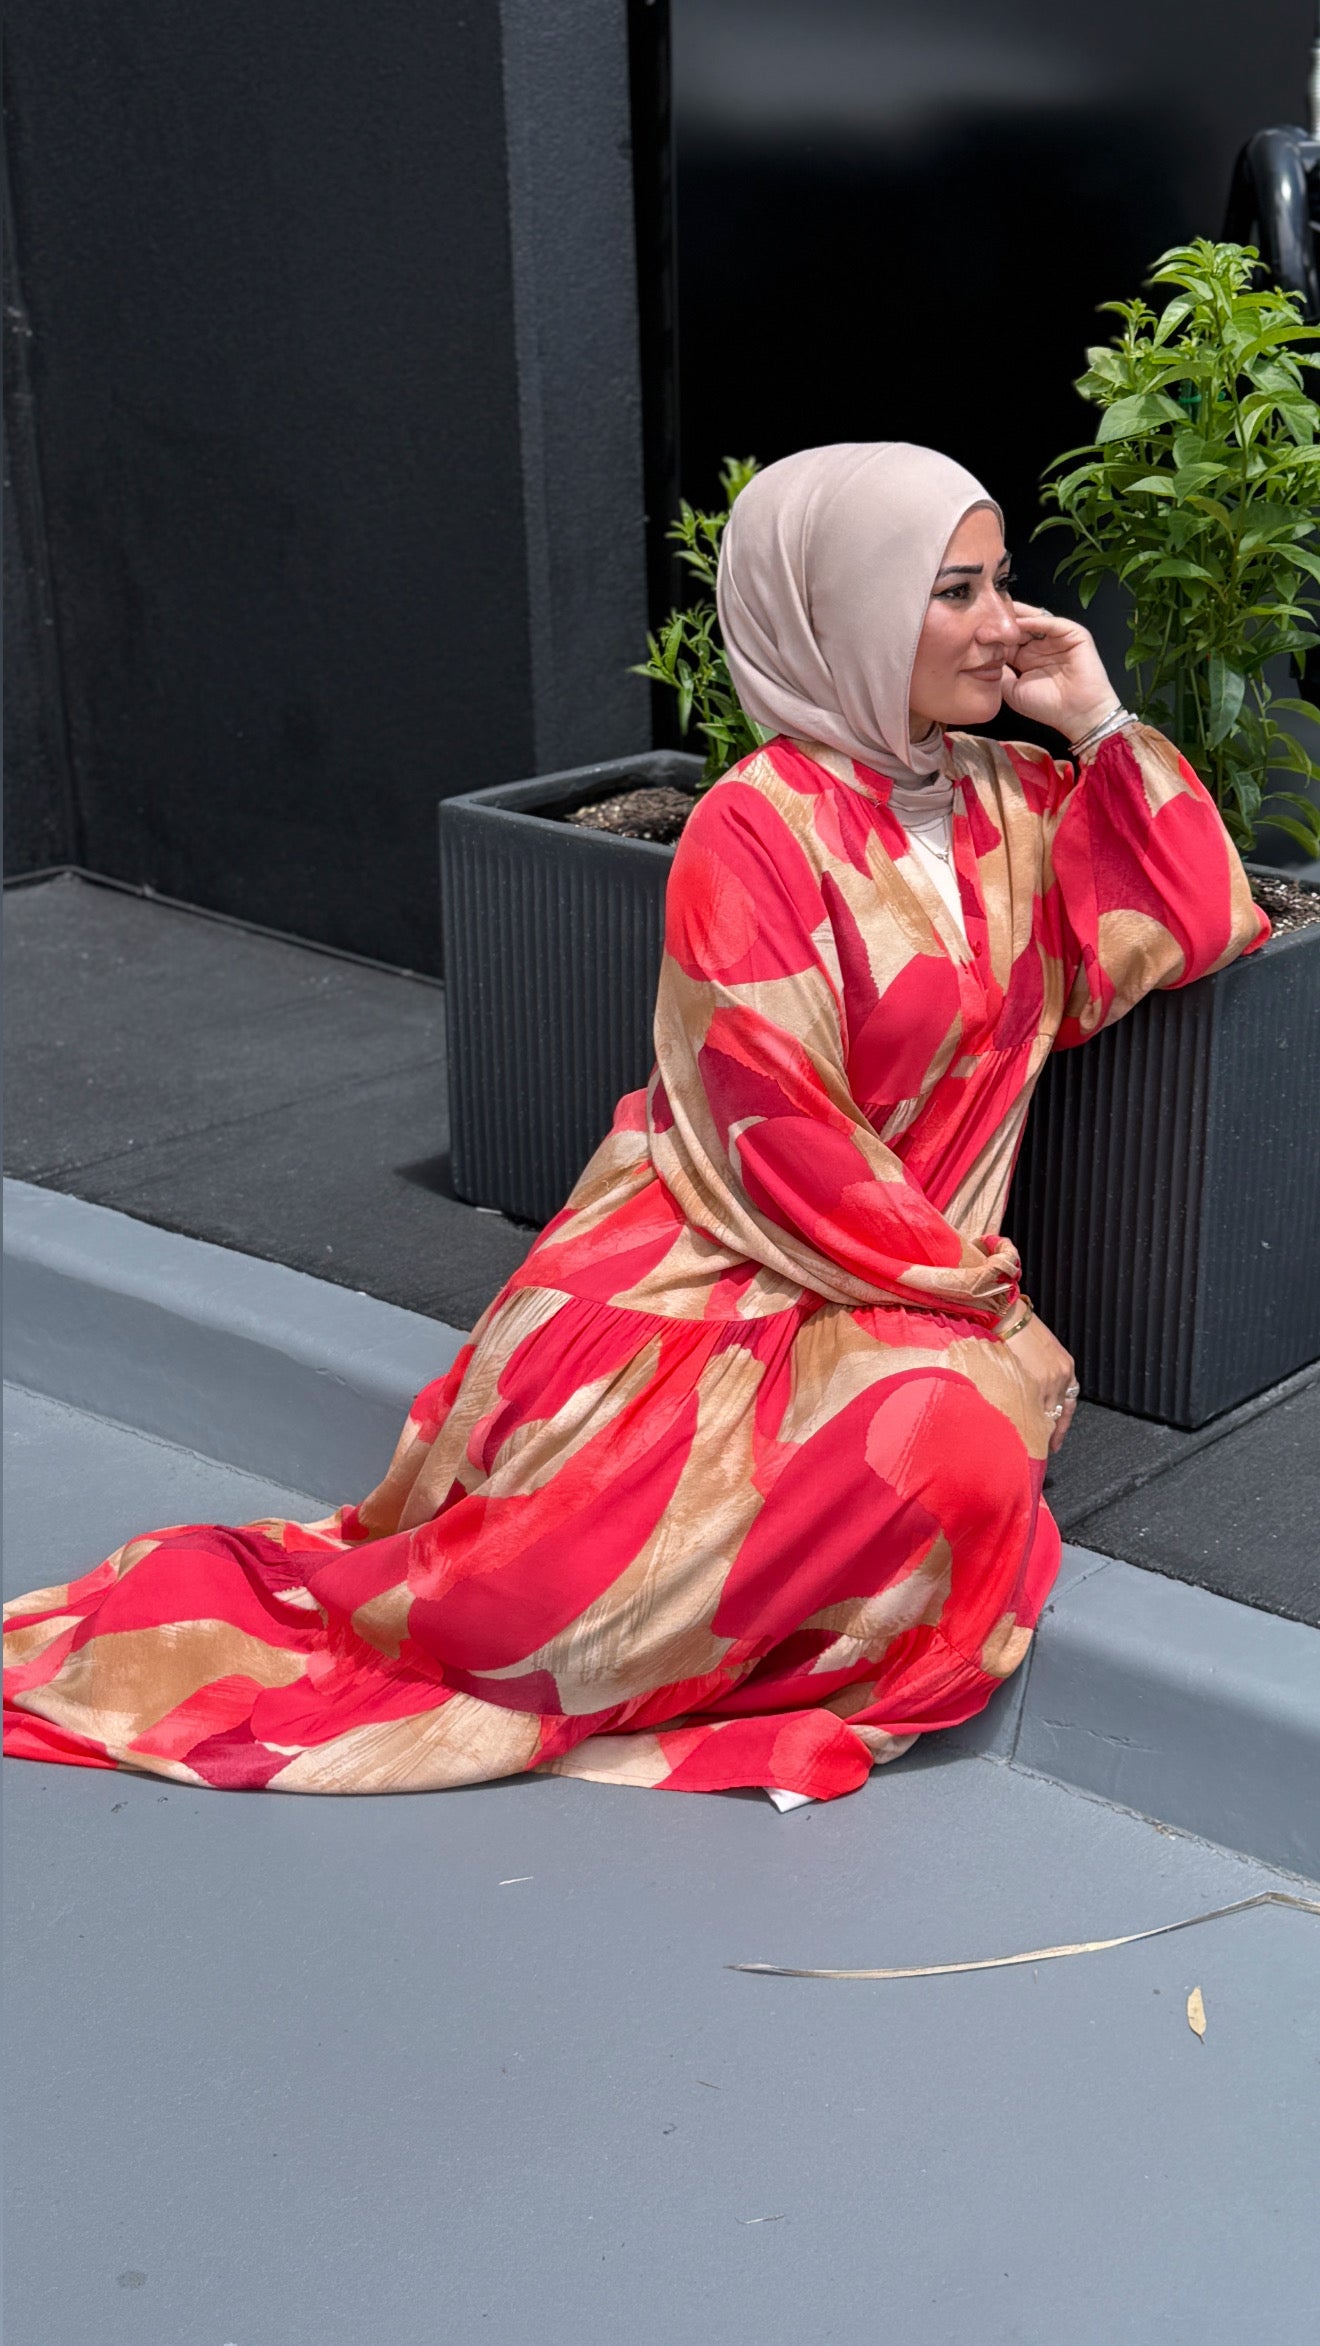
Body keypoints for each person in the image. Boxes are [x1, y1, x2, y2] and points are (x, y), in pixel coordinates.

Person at [3, 443, 1268, 1804]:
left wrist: (1093, 716)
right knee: (544, 1600)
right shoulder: (755, 829)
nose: (1003, 624)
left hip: (900, 1275)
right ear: (844, 609)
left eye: (1003, 583)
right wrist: (984, 1304)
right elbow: (779, 1133)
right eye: (953, 591)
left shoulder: (1010, 800)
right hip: (724, 1253)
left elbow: (1201, 914)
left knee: (954, 1444)